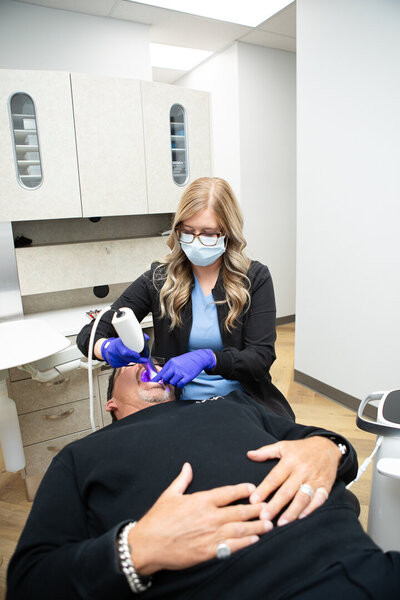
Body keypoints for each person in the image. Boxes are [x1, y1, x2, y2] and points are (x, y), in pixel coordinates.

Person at [7, 365, 400, 599]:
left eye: (155, 360)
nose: (149, 363)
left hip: (364, 565)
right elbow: (29, 582)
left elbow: (327, 446)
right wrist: (136, 548)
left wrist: (328, 445)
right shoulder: (81, 455)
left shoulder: (233, 406)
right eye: (131, 368)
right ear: (111, 402)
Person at [77, 176, 293, 419]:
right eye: (188, 232)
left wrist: (209, 358)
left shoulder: (254, 279)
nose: (196, 241)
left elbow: (259, 360)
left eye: (208, 234)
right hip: (180, 409)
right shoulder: (160, 279)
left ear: (228, 234)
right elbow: (90, 333)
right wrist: (104, 347)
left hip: (243, 404)